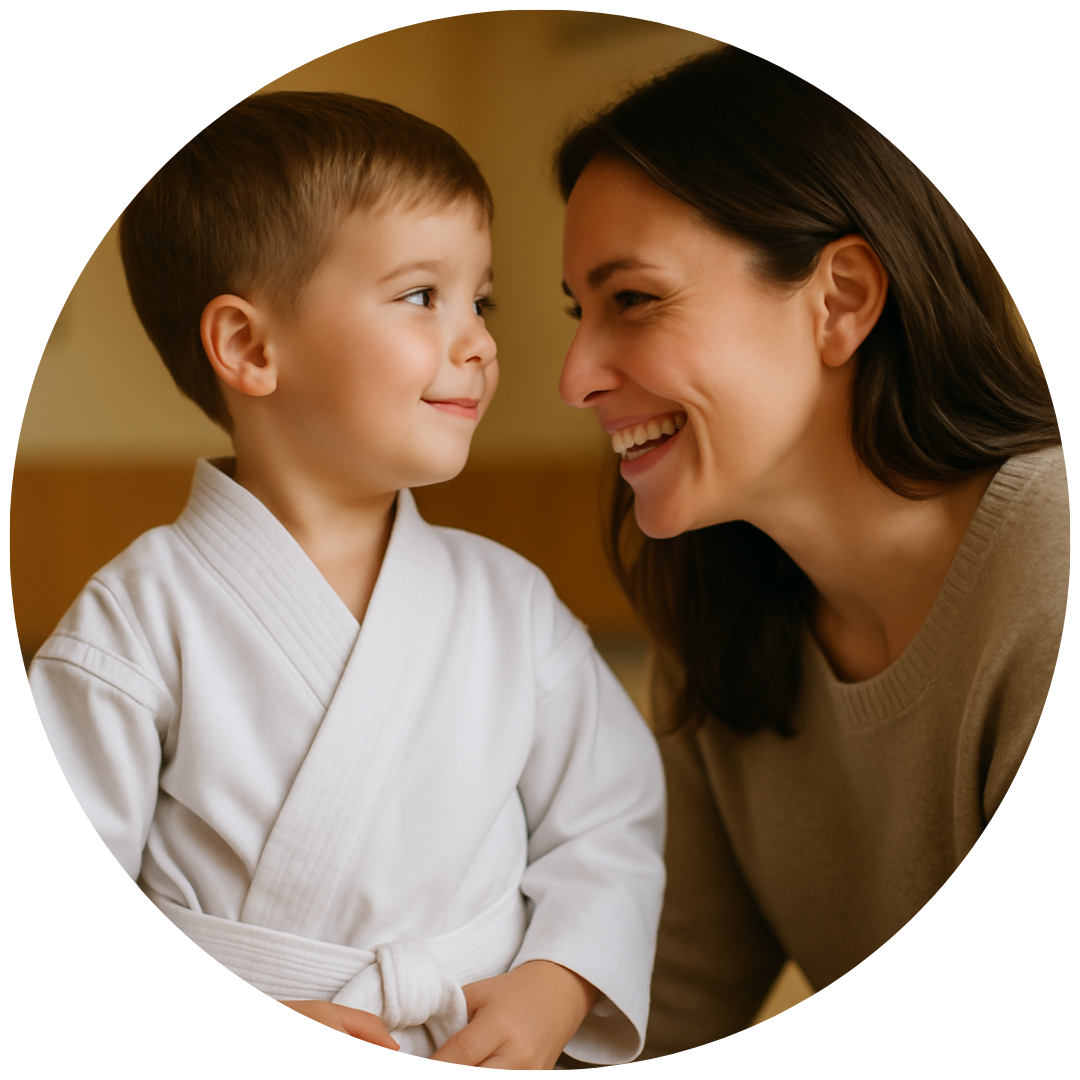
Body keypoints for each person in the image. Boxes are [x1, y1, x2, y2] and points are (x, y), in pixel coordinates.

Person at [29, 91, 665, 1068]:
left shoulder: (512, 604)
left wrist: (555, 985)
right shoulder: (133, 622)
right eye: (422, 296)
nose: (479, 342)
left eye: (480, 300)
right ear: (249, 346)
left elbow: (610, 821)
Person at [556, 46, 1065, 1054]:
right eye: (581, 313)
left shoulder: (1050, 566)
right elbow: (652, 1015)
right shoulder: (724, 628)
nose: (575, 378)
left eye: (635, 300)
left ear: (839, 300)